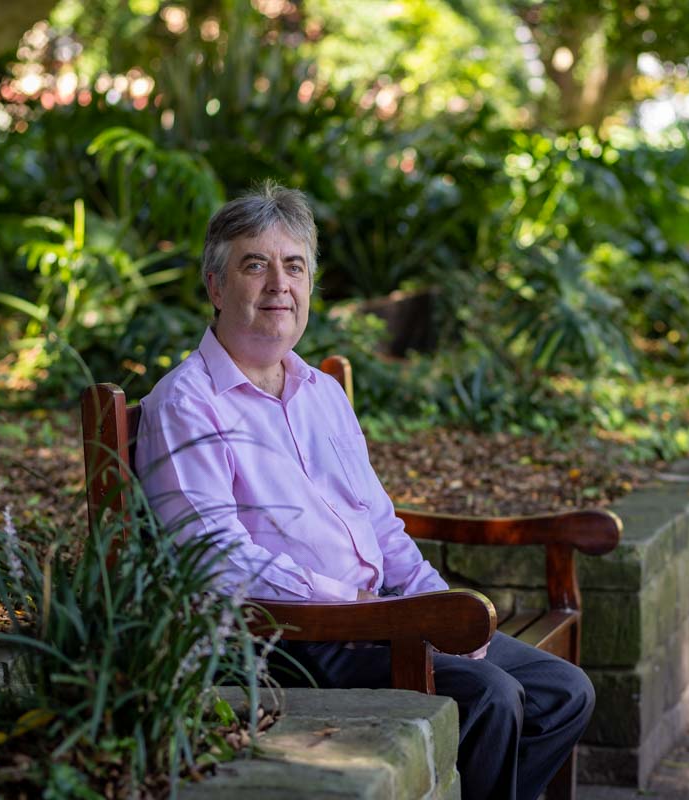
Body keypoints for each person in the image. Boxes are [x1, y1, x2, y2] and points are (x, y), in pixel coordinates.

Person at [134, 181, 594, 800]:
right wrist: (354, 605)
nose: (279, 285)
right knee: (492, 699)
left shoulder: (320, 392)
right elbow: (215, 560)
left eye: (294, 267)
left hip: (376, 618)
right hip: (289, 638)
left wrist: (435, 603)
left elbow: (378, 522)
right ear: (216, 287)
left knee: (564, 693)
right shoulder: (187, 405)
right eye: (255, 265)